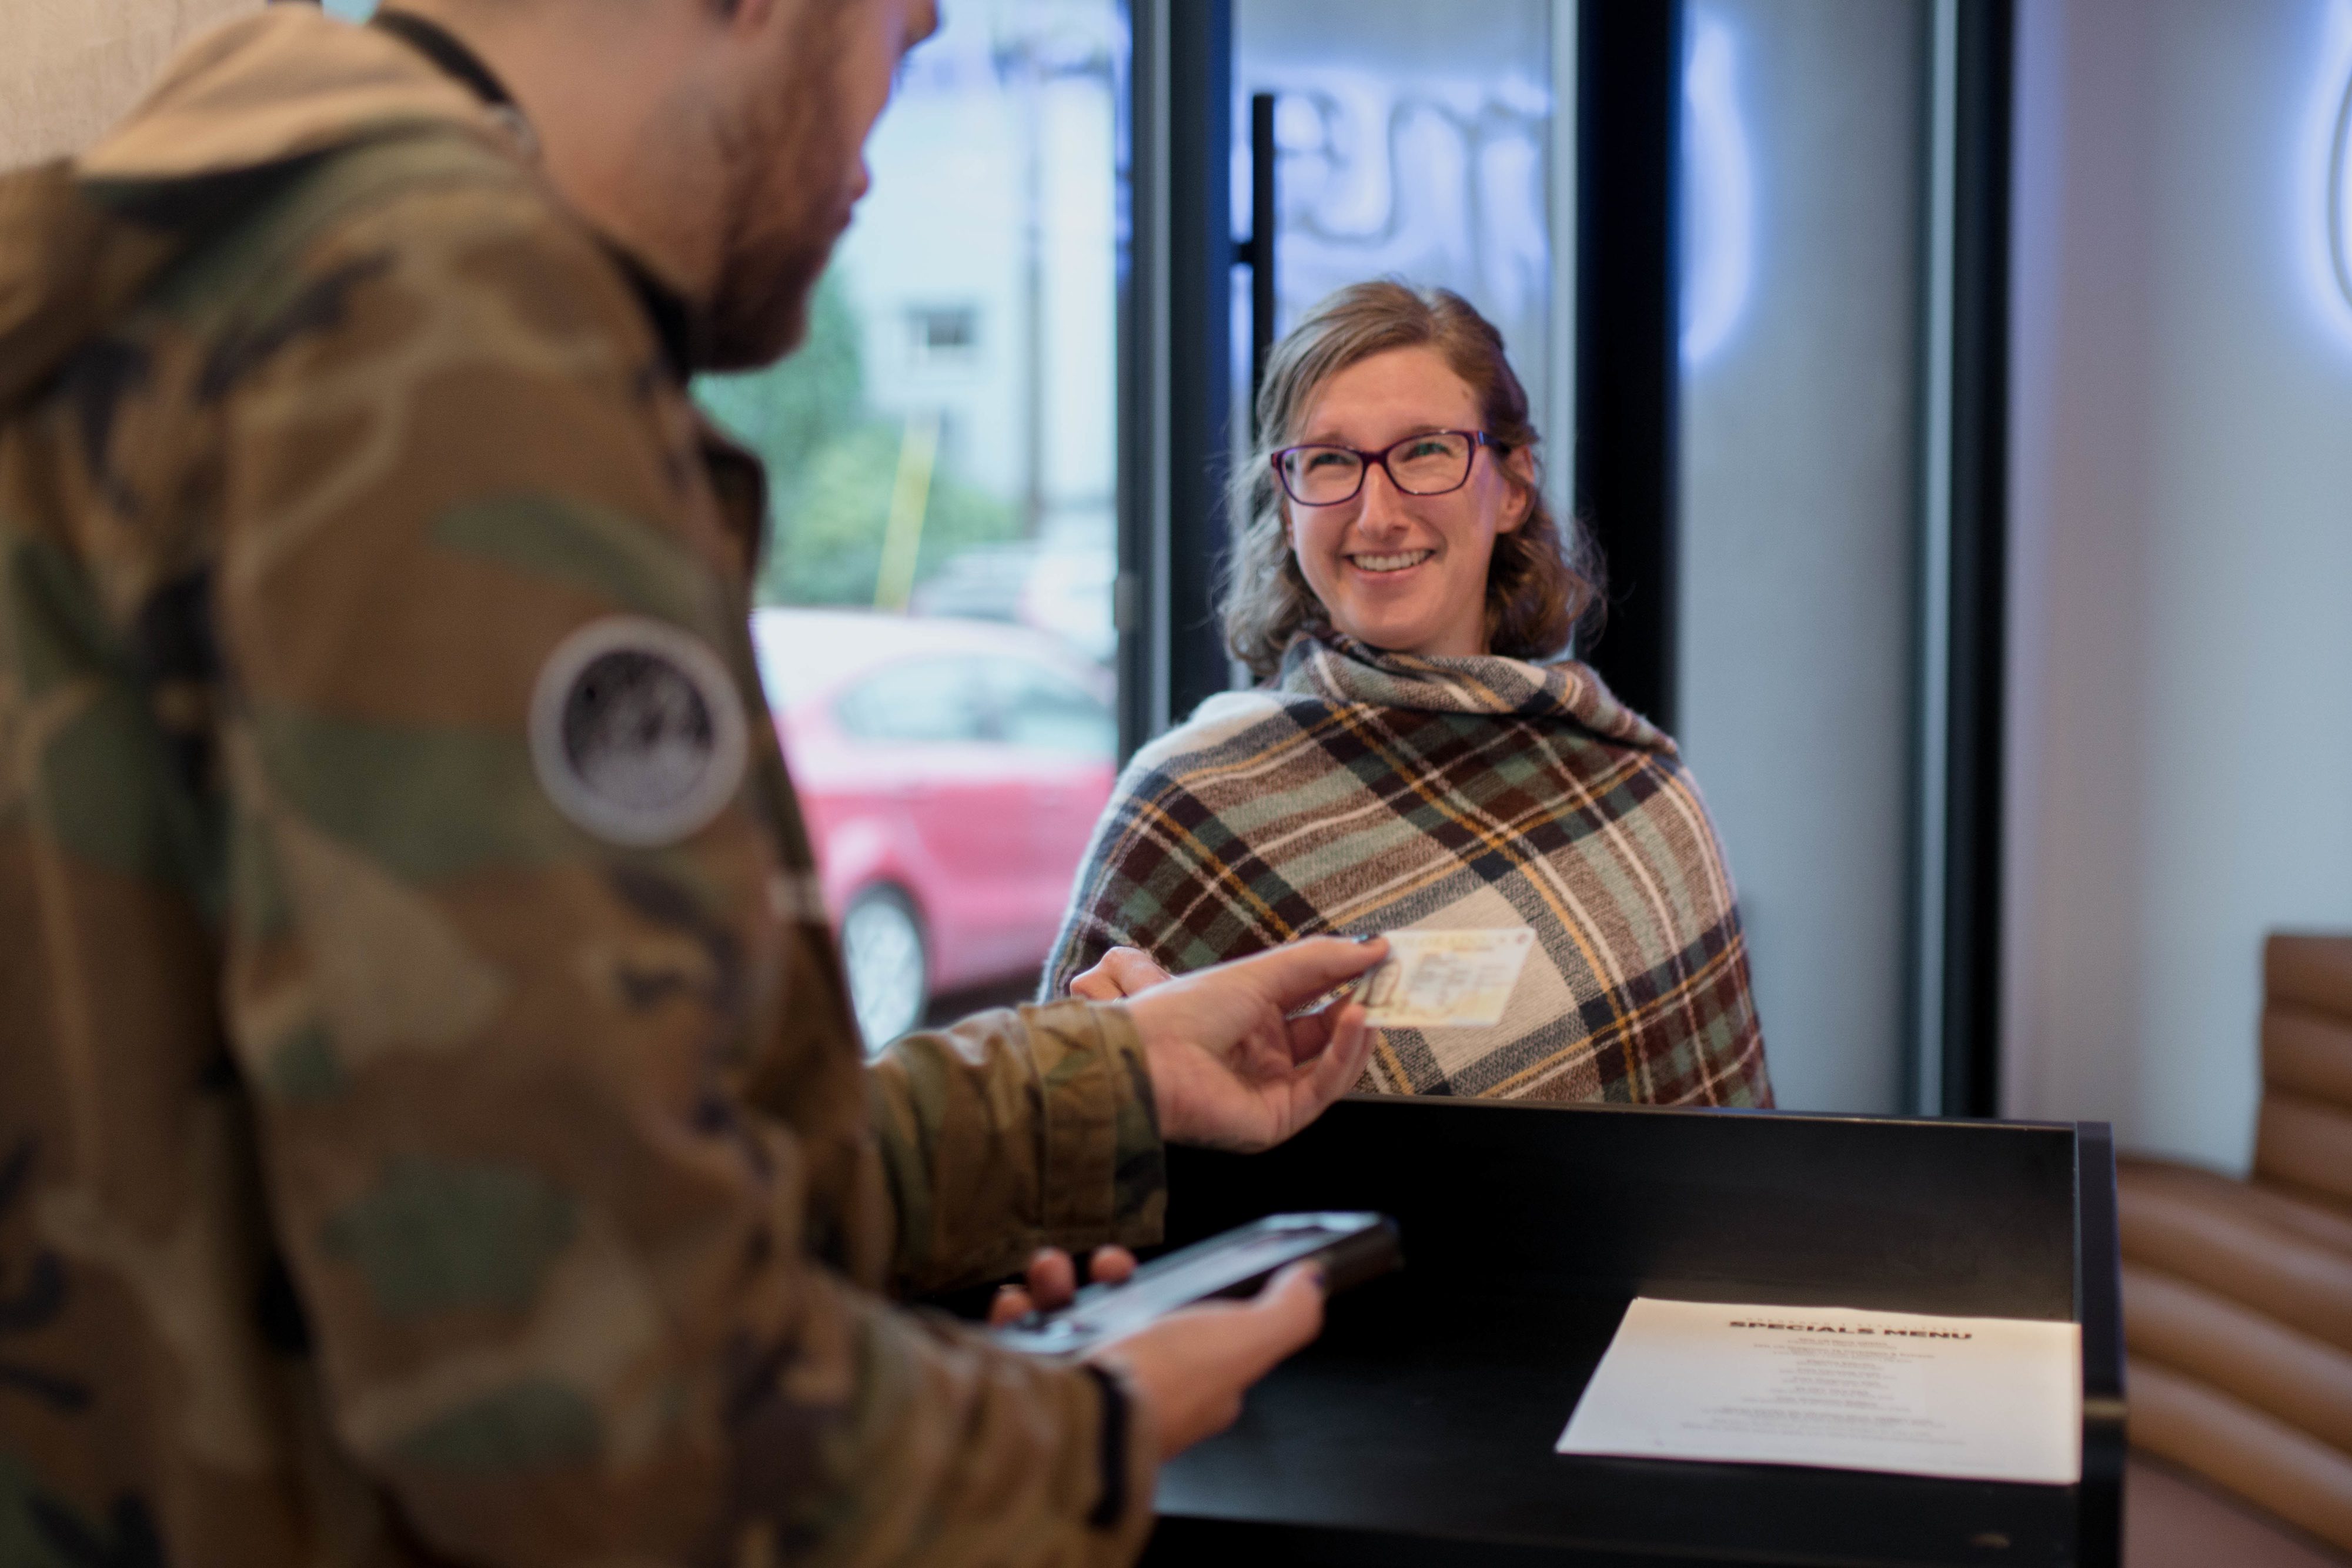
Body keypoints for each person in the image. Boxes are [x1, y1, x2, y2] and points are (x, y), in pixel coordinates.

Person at [0, 3, 1391, 1565]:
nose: (894, 107)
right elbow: (588, 1386)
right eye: (904, 34)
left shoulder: (151, 274)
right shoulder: (450, 346)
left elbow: (495, 1137)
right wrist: (1081, 1441)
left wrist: (1105, 1077)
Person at [1044, 282, 1772, 1109]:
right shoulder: (1183, 808)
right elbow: (1066, 1146)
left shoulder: (1642, 790)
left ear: (1515, 484)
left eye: (1426, 450)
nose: (1377, 513)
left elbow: (1734, 1177)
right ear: (1286, 510)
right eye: (1330, 461)